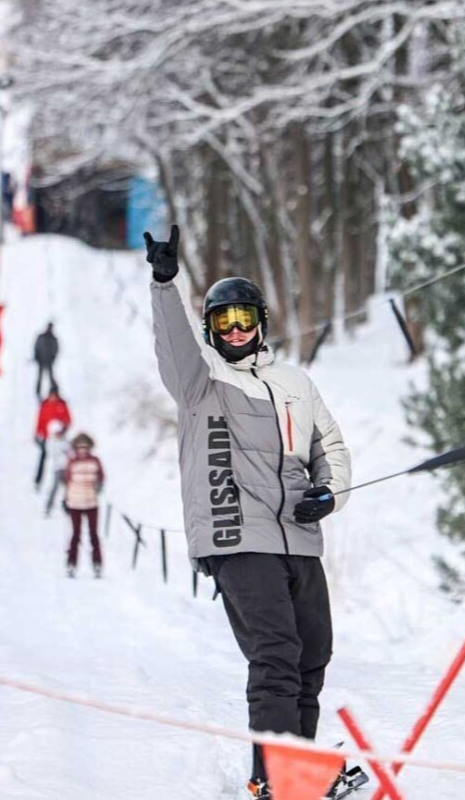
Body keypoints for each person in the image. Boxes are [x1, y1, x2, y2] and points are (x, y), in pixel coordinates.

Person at [145, 225, 364, 799]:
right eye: (223, 323)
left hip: (299, 534)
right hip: (236, 533)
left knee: (313, 653)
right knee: (275, 653)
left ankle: (301, 769)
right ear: (210, 331)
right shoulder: (201, 382)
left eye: (244, 319)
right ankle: (275, 777)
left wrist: (330, 492)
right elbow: (173, 349)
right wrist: (165, 285)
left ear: (261, 323)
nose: (236, 331)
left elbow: (330, 448)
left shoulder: (294, 382)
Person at [65, 433, 104, 579]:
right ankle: (71, 563)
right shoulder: (72, 462)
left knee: (93, 534)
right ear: (76, 448)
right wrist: (66, 499)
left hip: (91, 502)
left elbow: (101, 477)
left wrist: (98, 486)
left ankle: (97, 563)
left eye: (85, 447)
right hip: (75, 503)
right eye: (80, 447)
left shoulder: (95, 461)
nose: (82, 450)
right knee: (76, 534)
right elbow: (67, 480)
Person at [34, 387, 72, 490]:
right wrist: (37, 433)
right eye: (52, 395)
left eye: (55, 395)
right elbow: (40, 420)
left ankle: (65, 480)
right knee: (43, 457)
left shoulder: (62, 404)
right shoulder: (45, 405)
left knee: (63, 459)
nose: (53, 397)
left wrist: (63, 429)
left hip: (60, 438)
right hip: (47, 438)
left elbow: (68, 419)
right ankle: (38, 480)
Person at [44, 420, 71, 516]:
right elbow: (52, 453)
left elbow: (70, 452)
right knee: (54, 488)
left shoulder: (66, 441)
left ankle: (67, 506)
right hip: (57, 469)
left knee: (69, 488)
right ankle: (48, 507)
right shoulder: (51, 442)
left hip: (67, 468)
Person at [34, 322, 59, 399]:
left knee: (51, 377)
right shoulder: (41, 337)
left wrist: (53, 358)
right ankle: (38, 392)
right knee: (40, 377)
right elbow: (36, 347)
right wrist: (37, 357)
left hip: (49, 361)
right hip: (41, 360)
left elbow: (56, 350)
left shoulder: (53, 339)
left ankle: (54, 391)